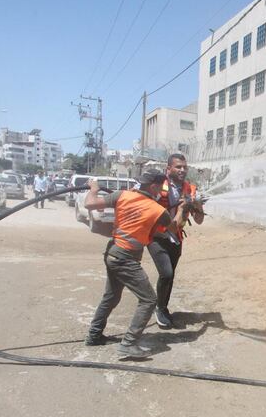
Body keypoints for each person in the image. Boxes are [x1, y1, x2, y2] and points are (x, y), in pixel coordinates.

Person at [84, 169, 187, 358]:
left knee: (111, 297)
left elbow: (90, 203)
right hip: (125, 258)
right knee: (149, 300)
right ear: (155, 186)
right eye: (161, 186)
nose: (162, 190)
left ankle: (94, 336)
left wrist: (93, 188)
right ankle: (128, 343)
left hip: (112, 253)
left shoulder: (122, 196)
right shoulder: (157, 210)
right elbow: (175, 227)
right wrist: (182, 208)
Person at [147, 153, 205, 329]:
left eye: (184, 167)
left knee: (170, 276)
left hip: (176, 238)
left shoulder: (190, 189)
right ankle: (159, 308)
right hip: (157, 236)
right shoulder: (158, 186)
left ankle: (163, 308)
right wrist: (180, 206)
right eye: (178, 167)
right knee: (166, 273)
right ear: (168, 169)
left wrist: (198, 205)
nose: (182, 170)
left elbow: (199, 220)